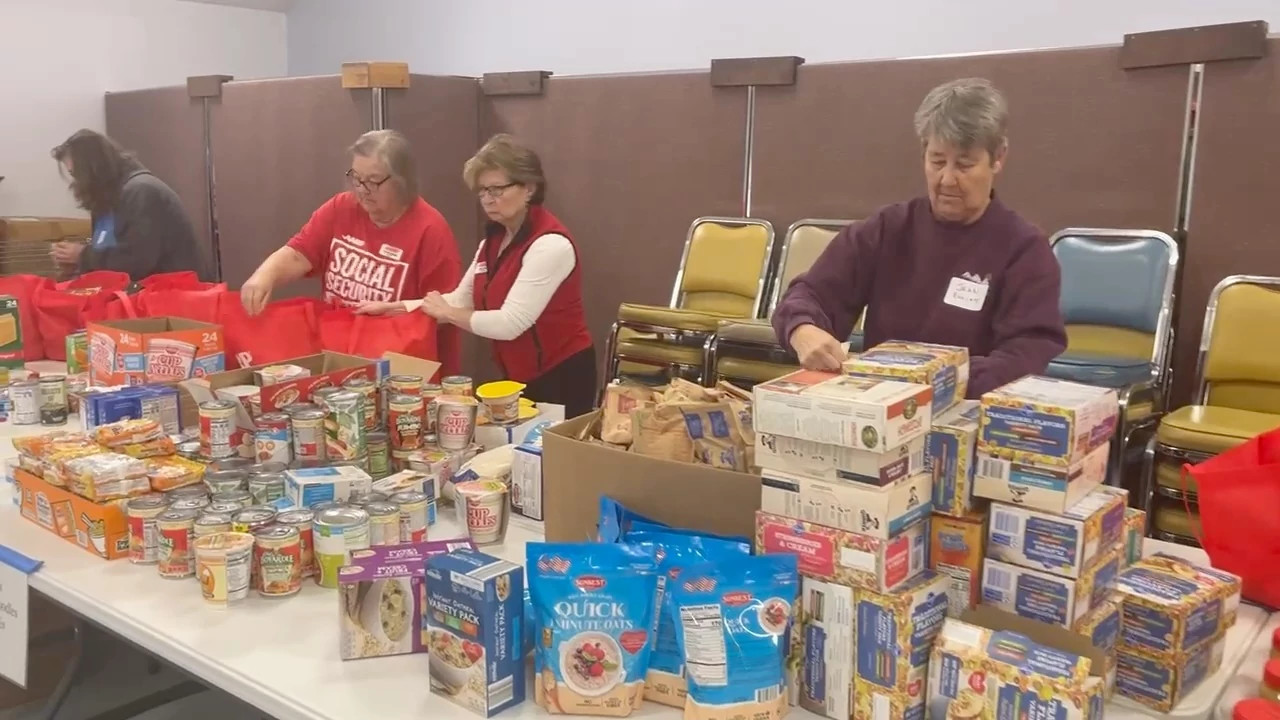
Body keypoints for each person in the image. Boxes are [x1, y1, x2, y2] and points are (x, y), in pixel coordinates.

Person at [772, 78, 1066, 398]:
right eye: (937, 161)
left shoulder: (1023, 249)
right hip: (882, 409)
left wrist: (937, 381)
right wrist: (803, 330)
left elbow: (1026, 353)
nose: (947, 179)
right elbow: (809, 294)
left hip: (970, 415)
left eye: (965, 164)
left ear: (999, 158)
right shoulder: (887, 229)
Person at [241, 129, 462, 372]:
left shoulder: (430, 230)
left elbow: (445, 312)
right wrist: (264, 276)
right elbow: (298, 253)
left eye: (374, 181)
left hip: (396, 361)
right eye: (356, 178)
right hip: (337, 352)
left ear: (402, 182)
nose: (362, 190)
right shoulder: (341, 208)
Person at [412, 134, 595, 416]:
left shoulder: (550, 244)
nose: (487, 200)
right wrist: (397, 307)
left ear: (529, 189)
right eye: (482, 191)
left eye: (496, 190)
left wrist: (447, 314)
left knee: (551, 458)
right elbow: (460, 300)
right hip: (517, 375)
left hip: (561, 375)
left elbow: (510, 323)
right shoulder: (493, 240)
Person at [50, 130, 207, 281]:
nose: (76, 181)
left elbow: (136, 261)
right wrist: (79, 264)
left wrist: (82, 256)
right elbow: (110, 255)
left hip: (176, 299)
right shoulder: (109, 199)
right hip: (149, 297)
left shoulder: (142, 191)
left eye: (76, 173)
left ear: (93, 167)